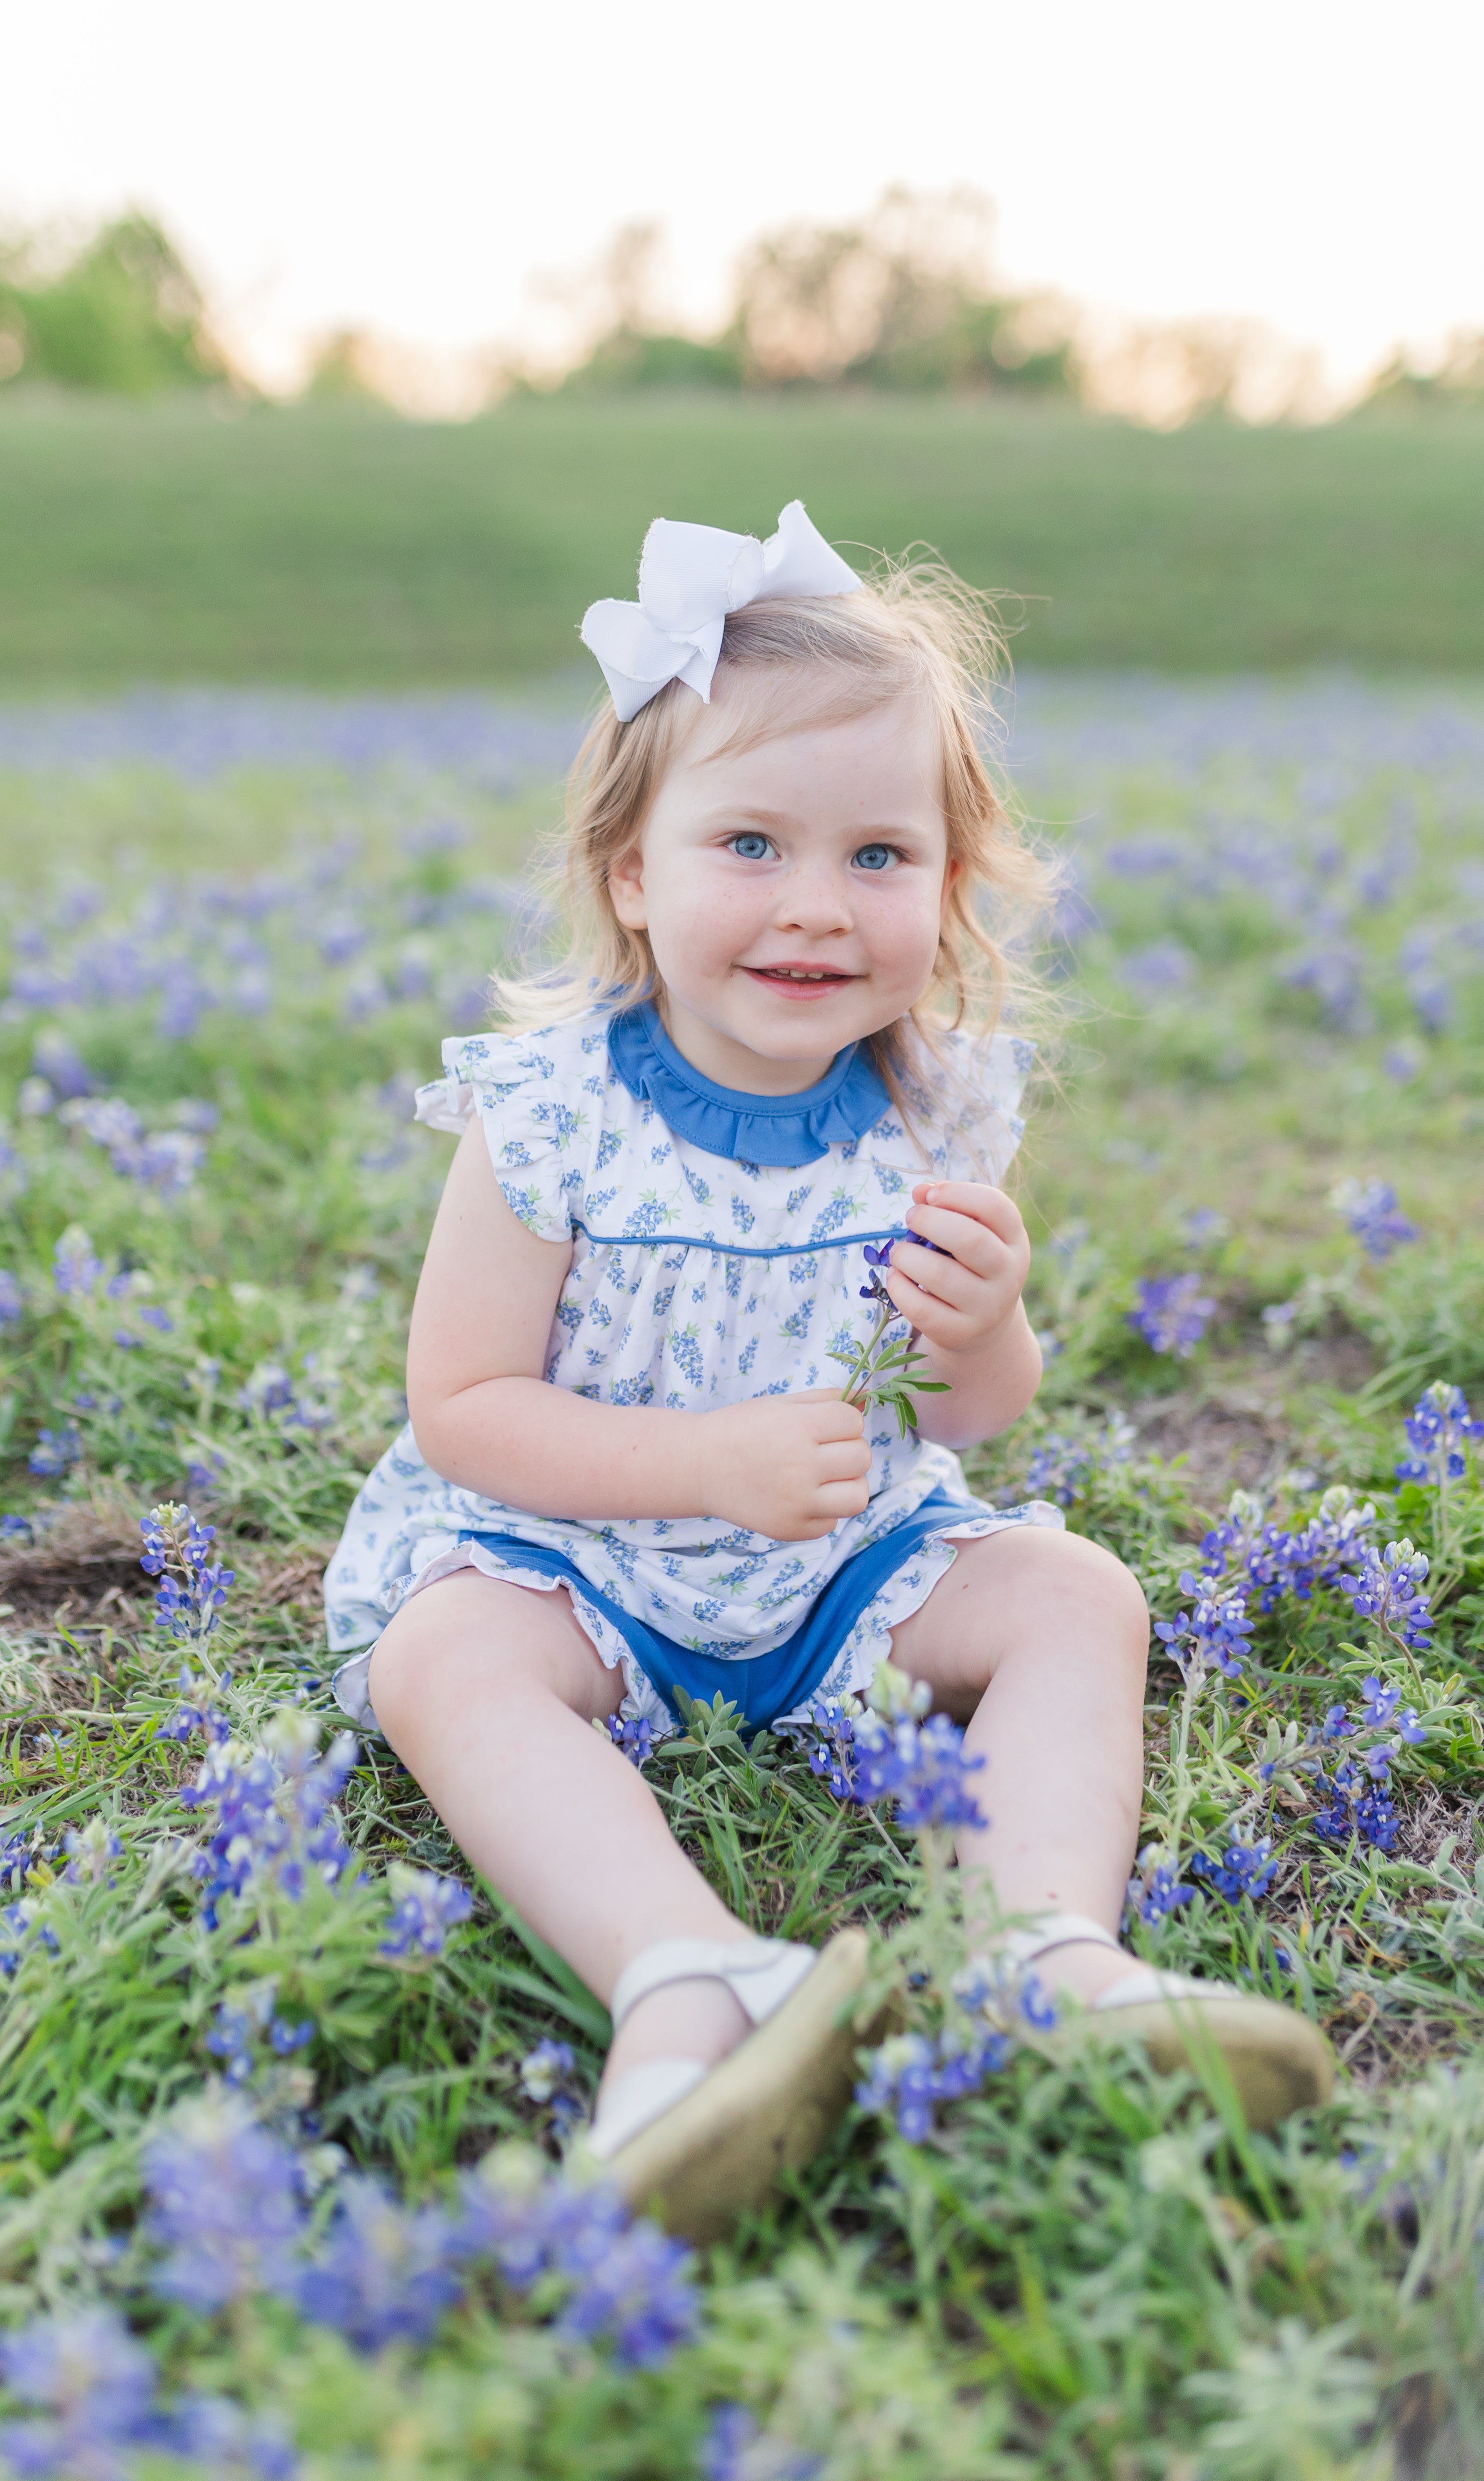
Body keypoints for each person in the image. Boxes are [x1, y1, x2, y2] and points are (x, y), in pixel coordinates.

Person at [325, 502, 1333, 2239]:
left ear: (950, 891)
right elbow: (466, 1411)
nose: (815, 906)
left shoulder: (935, 1107)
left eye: (881, 856)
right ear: (633, 873)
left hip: (846, 1566)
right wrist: (701, 1467)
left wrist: (987, 1327)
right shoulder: (550, 1114)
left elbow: (968, 1414)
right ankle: (691, 1978)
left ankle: (1043, 1960)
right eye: (749, 845)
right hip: (580, 1566)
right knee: (443, 1661)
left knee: (1074, 1594)